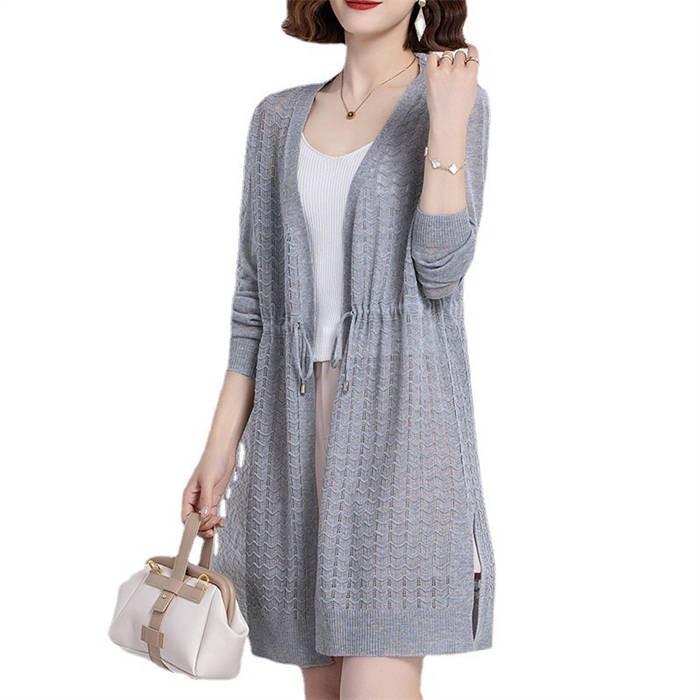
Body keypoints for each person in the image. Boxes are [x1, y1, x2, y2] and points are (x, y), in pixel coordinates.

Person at [182, 1, 494, 697]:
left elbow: (441, 270)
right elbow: (254, 304)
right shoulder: (276, 119)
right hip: (291, 439)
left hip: (402, 434)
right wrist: (219, 450)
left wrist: (447, 122)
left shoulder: (453, 98)